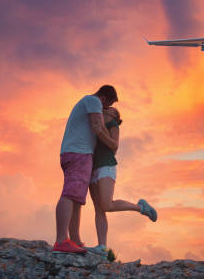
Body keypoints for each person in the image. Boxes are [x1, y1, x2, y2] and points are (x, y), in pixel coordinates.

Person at [53, 85, 119, 253]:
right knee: (69, 195)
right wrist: (112, 144)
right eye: (107, 106)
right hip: (79, 153)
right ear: (103, 99)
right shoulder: (93, 101)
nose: (105, 110)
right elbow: (97, 126)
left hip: (75, 152)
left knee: (76, 198)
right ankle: (61, 240)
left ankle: (75, 240)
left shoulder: (87, 101)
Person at [86, 106, 157, 256]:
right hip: (92, 167)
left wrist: (100, 132)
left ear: (115, 116)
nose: (107, 110)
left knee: (107, 204)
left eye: (111, 110)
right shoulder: (96, 124)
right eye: (107, 108)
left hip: (106, 165)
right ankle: (102, 247)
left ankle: (141, 207)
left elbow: (114, 145)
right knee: (99, 209)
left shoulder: (112, 125)